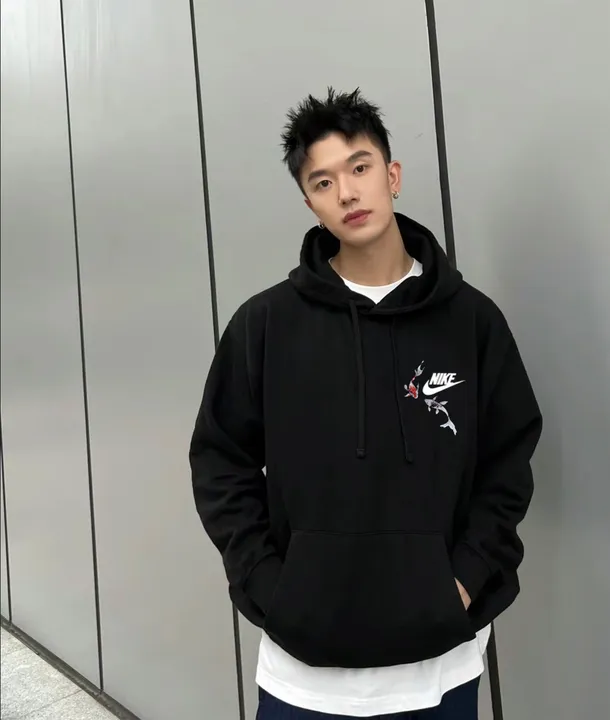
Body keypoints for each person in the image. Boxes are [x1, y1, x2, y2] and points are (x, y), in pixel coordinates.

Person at [189, 88, 542, 719]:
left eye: (360, 167)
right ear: (310, 204)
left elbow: (507, 462)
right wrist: (271, 585)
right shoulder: (264, 325)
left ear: (392, 175)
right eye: (323, 182)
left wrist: (464, 578)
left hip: (440, 666)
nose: (347, 193)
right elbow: (220, 462)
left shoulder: (471, 322)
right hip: (303, 675)